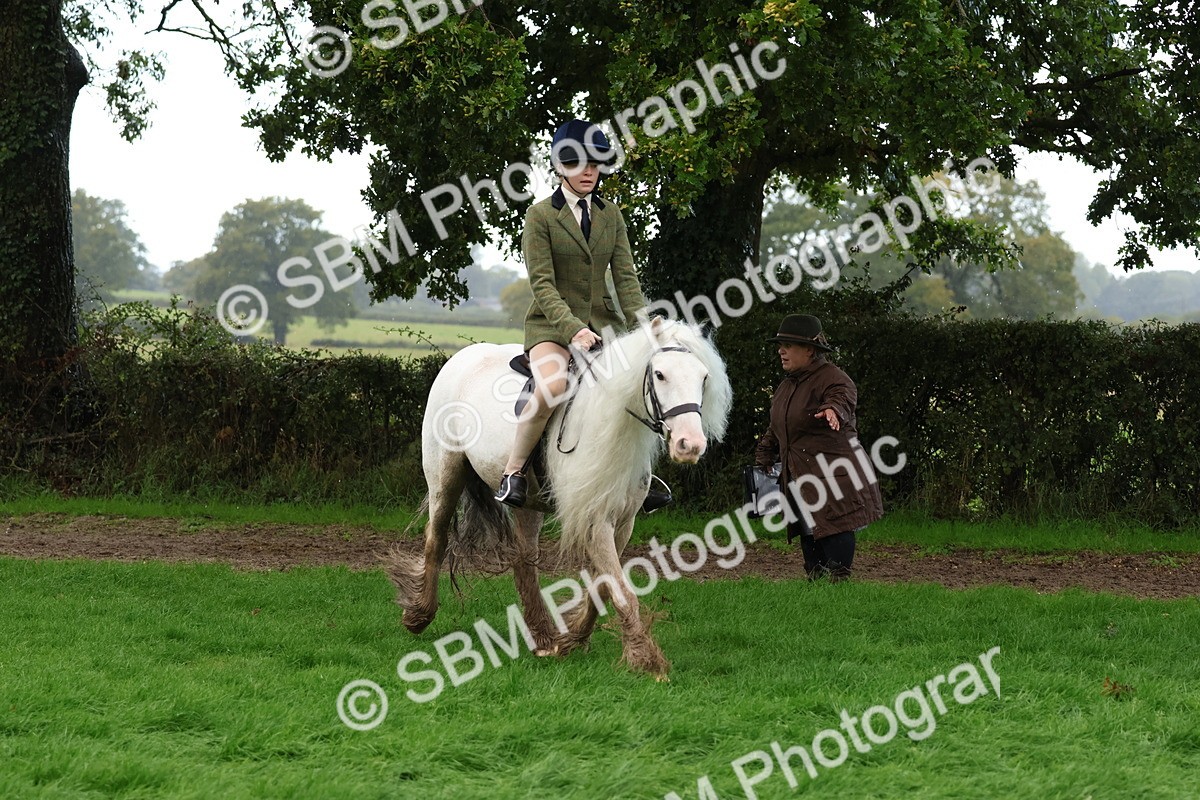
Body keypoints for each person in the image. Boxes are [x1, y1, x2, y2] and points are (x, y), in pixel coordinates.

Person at [494, 119, 648, 507]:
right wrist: (573, 329)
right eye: (579, 164)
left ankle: (641, 476)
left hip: (604, 325)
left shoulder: (611, 215)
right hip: (551, 327)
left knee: (642, 383)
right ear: (560, 167)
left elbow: (626, 279)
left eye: (595, 164)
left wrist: (645, 326)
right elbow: (542, 285)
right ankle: (513, 472)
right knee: (553, 388)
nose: (589, 172)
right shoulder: (540, 216)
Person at [754, 314, 883, 580]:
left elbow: (842, 400)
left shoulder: (834, 379)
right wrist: (765, 450)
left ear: (810, 350)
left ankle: (839, 583)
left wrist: (832, 410)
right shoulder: (786, 385)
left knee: (834, 527)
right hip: (800, 474)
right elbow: (778, 424)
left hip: (834, 473)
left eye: (788, 345)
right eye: (780, 345)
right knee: (808, 530)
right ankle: (816, 583)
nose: (781, 350)